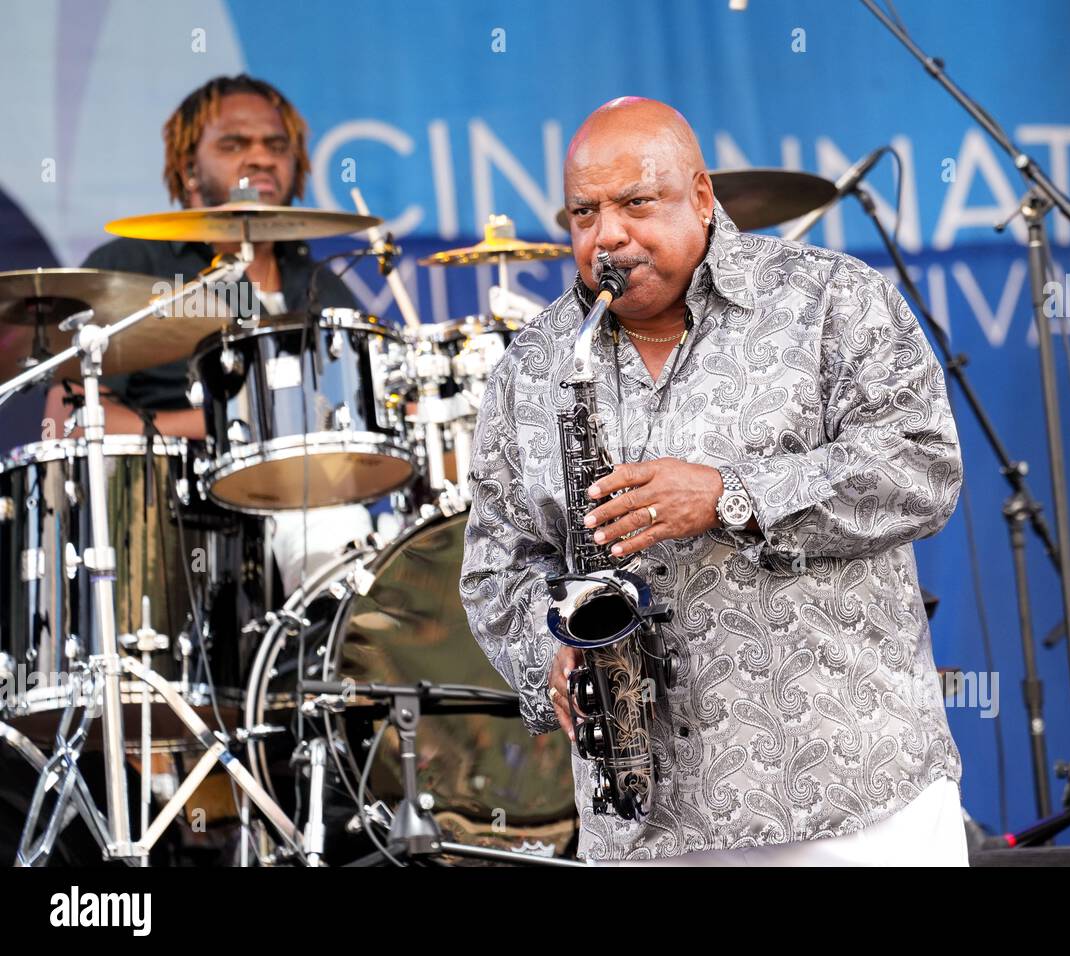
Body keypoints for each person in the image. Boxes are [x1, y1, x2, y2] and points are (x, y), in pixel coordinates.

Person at [459, 97, 968, 865]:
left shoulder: (831, 298)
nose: (609, 236)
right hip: (646, 824)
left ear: (702, 195)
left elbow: (923, 466)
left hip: (853, 797)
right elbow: (498, 567)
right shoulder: (531, 367)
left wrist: (732, 495)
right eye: (584, 214)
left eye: (636, 203)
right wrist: (551, 653)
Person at [42, 74, 370, 591]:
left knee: (365, 536)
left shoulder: (324, 285)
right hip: (173, 522)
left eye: (276, 145)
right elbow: (72, 426)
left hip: (315, 504)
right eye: (235, 144)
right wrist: (232, 430)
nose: (261, 157)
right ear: (189, 169)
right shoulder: (130, 268)